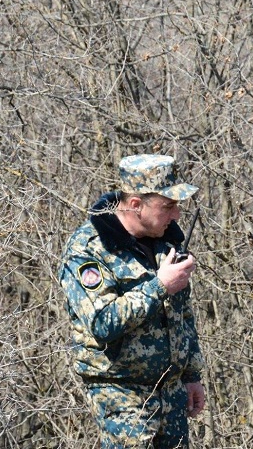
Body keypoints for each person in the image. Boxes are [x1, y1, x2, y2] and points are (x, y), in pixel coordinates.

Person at [58, 154, 206, 448]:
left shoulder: (166, 241)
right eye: (168, 206)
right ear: (136, 205)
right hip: (122, 395)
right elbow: (102, 322)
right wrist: (160, 285)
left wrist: (191, 374)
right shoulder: (89, 249)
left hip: (172, 393)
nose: (177, 215)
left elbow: (181, 314)